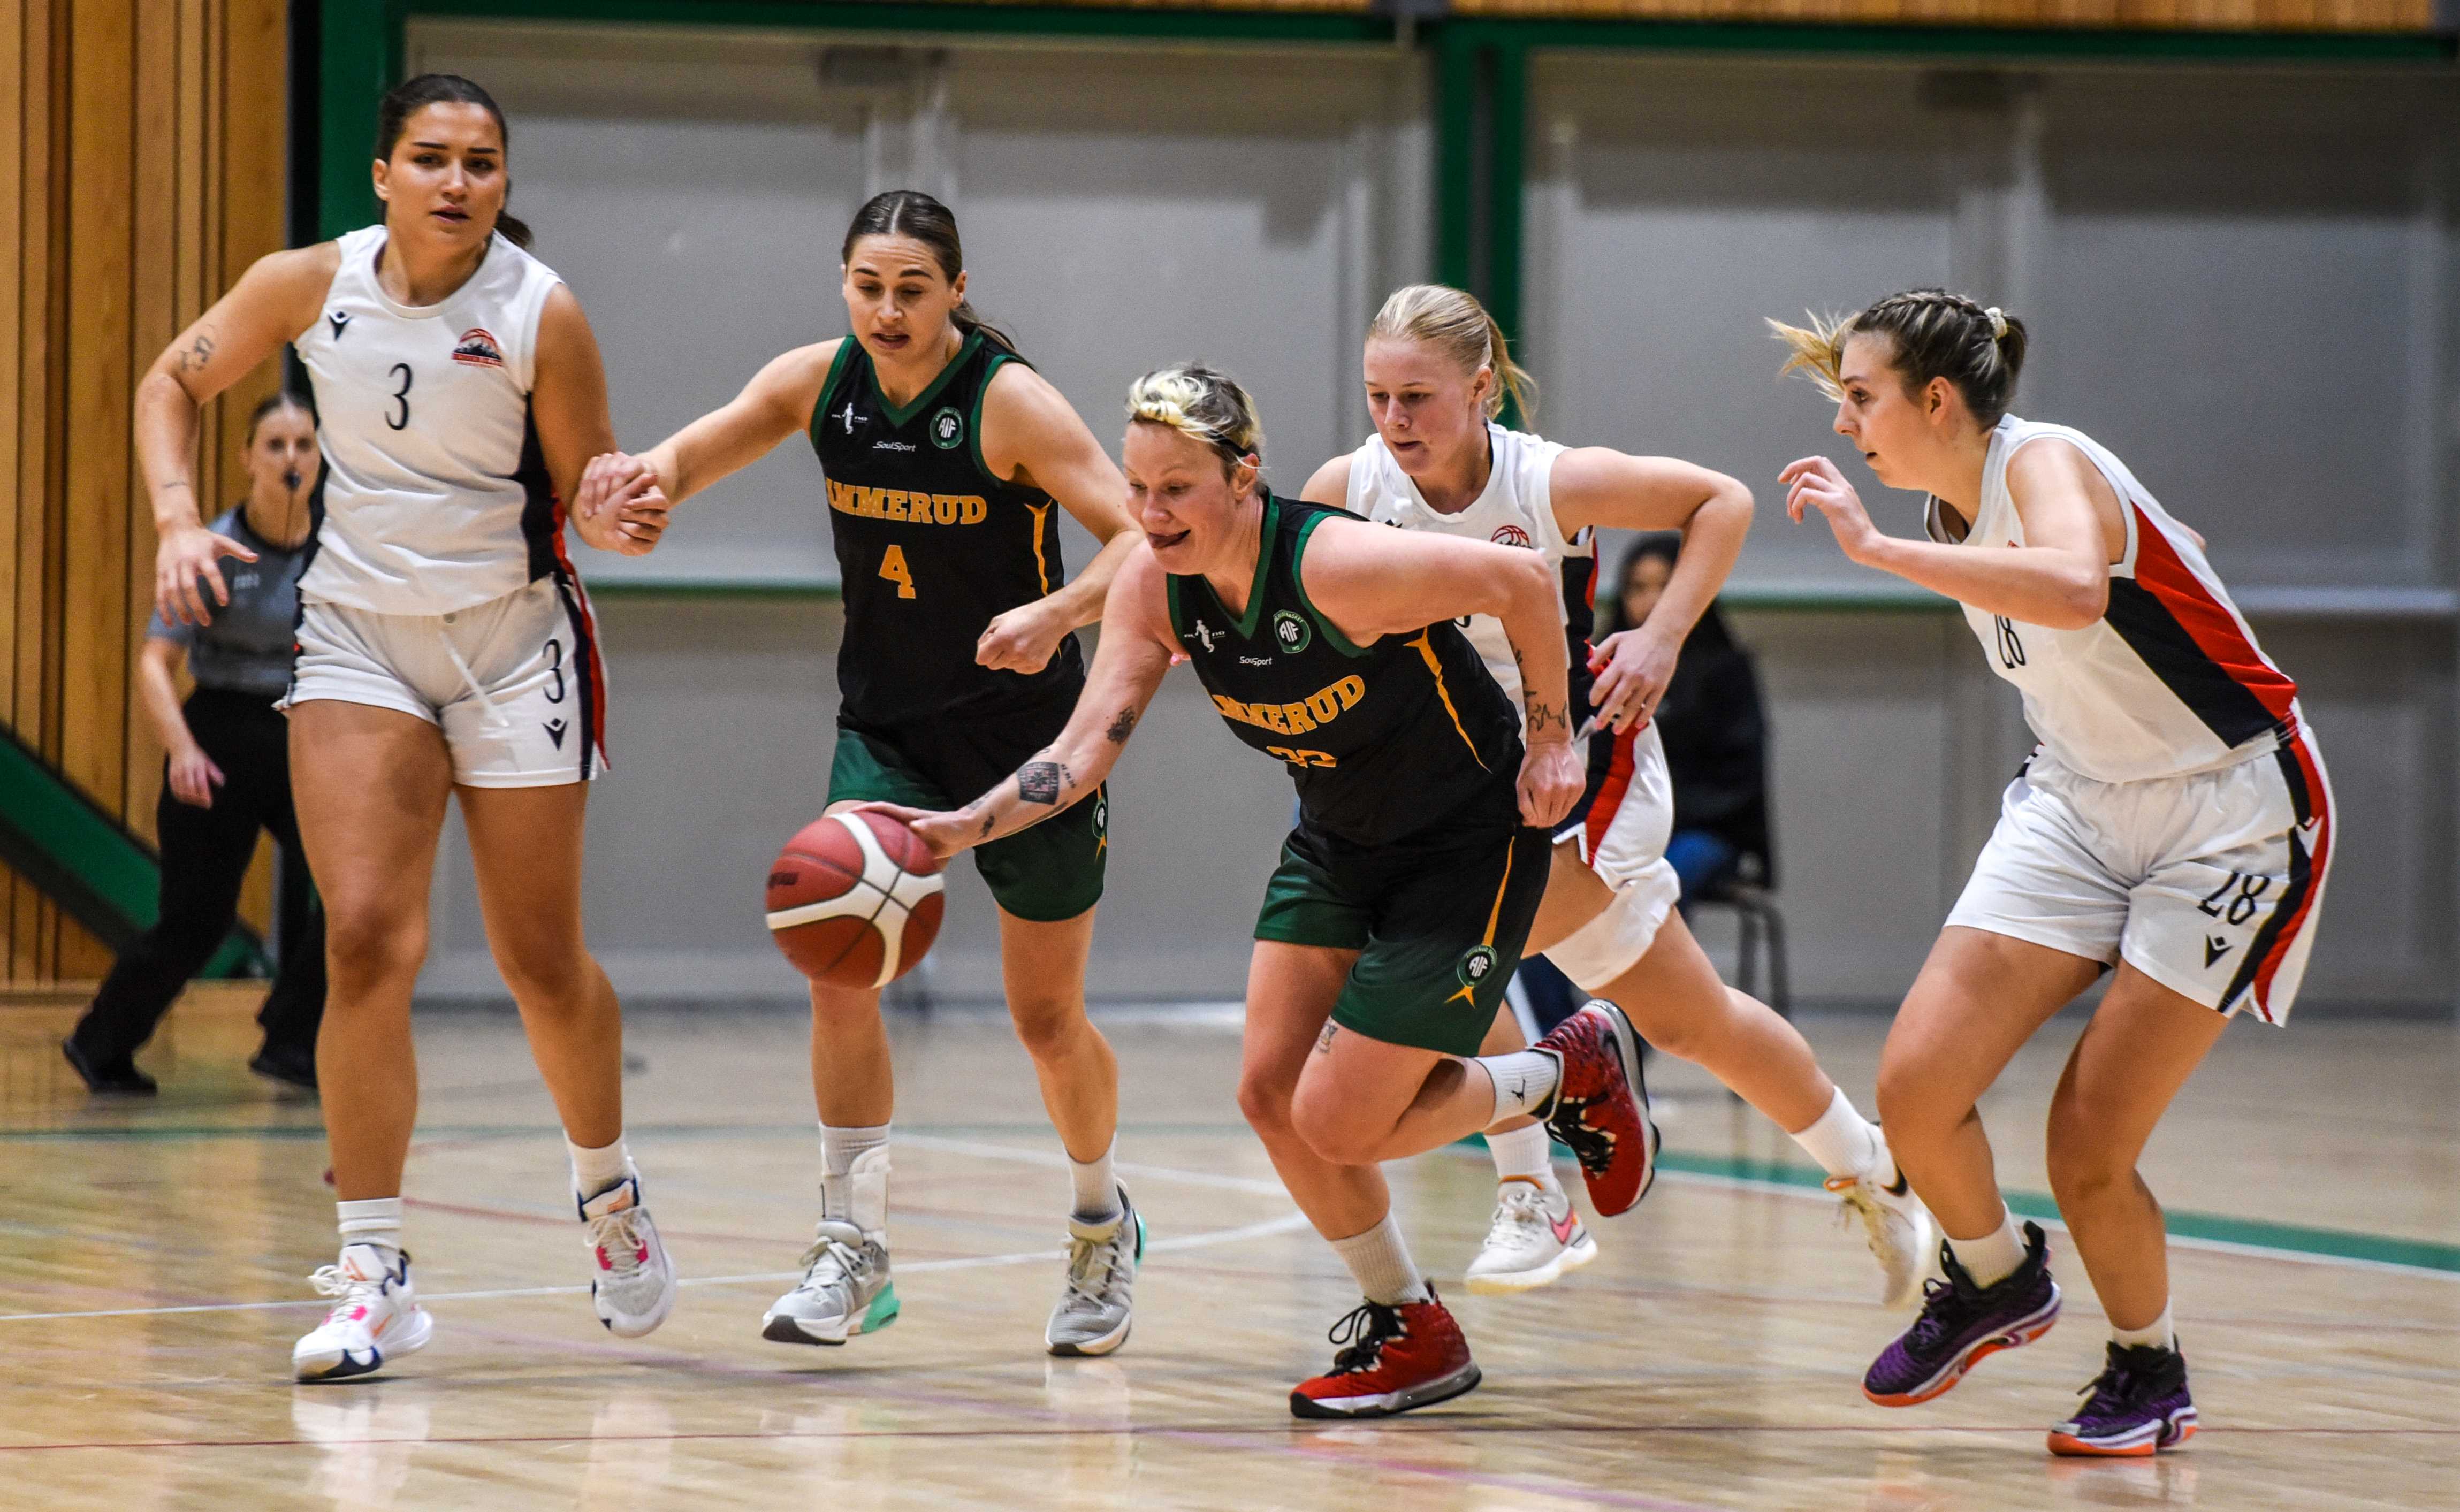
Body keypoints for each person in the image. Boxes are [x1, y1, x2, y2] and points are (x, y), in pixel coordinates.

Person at [867, 364, 1653, 1420]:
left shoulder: (1334, 563)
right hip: (1337, 842)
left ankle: (1566, 1072)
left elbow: (1518, 585)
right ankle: (1409, 1324)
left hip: (1462, 844)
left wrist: (1554, 738)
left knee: (1339, 1122)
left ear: (1244, 478)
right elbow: (1085, 747)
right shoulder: (1153, 584)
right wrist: (970, 824)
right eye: (1139, 490)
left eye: (1177, 488)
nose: (1151, 514)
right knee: (1267, 1095)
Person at [136, 74, 680, 1382]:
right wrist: (171, 518)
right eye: (430, 158)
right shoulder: (306, 281)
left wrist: (622, 512)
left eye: (481, 162)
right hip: (360, 635)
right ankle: (375, 1269)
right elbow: (171, 379)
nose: (456, 181)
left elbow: (582, 490)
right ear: (380, 174)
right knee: (367, 936)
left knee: (540, 962)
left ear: (503, 179)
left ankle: (606, 1191)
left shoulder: (542, 314)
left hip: (512, 641)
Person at [575, 190, 1147, 1357]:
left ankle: (1101, 1221)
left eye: (912, 290)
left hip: (1027, 741)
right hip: (885, 733)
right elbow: (683, 458)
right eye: (867, 287)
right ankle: (853, 1248)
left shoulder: (1008, 403)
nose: (886, 310)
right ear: (844, 284)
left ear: (957, 291)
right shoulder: (815, 382)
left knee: (1046, 1022)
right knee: (837, 965)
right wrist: (632, 495)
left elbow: (1142, 536)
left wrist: (1059, 606)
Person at [1772, 288, 2332, 1457]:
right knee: (1915, 1088)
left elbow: (2079, 587)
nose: (1843, 425)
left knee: (2086, 1144)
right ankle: (1993, 1279)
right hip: (2078, 799)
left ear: (1937, 399)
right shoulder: (1949, 495)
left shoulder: (2047, 459)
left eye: (1859, 397)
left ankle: (2149, 1366)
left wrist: (1875, 551)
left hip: (2229, 810)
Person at [1304, 285, 1931, 1302]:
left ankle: (1532, 1193)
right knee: (1690, 1019)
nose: (1393, 420)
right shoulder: (1348, 483)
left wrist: (1663, 634)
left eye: (1417, 396)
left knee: (1443, 933)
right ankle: (1871, 1165)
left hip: (1579, 766)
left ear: (1480, 388)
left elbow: (1719, 500)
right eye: (1377, 395)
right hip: (1452, 778)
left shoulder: (1547, 480)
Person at [63, 392, 326, 1096]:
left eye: (304, 444)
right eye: (276, 445)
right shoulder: (213, 547)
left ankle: (292, 1039)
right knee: (198, 919)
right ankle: (100, 1040)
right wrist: (182, 749)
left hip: (304, 737)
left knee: (352, 896)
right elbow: (155, 663)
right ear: (248, 458)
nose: (292, 458)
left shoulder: (339, 548)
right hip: (219, 734)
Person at [1595, 533, 1772, 903]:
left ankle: (1647, 963)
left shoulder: (1726, 669)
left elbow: (1739, 777)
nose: (1650, 601)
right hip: (1618, 827)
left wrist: (1661, 818)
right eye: (1638, 588)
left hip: (1705, 830)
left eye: (1665, 586)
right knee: (1564, 886)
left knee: (1653, 885)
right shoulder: (1602, 670)